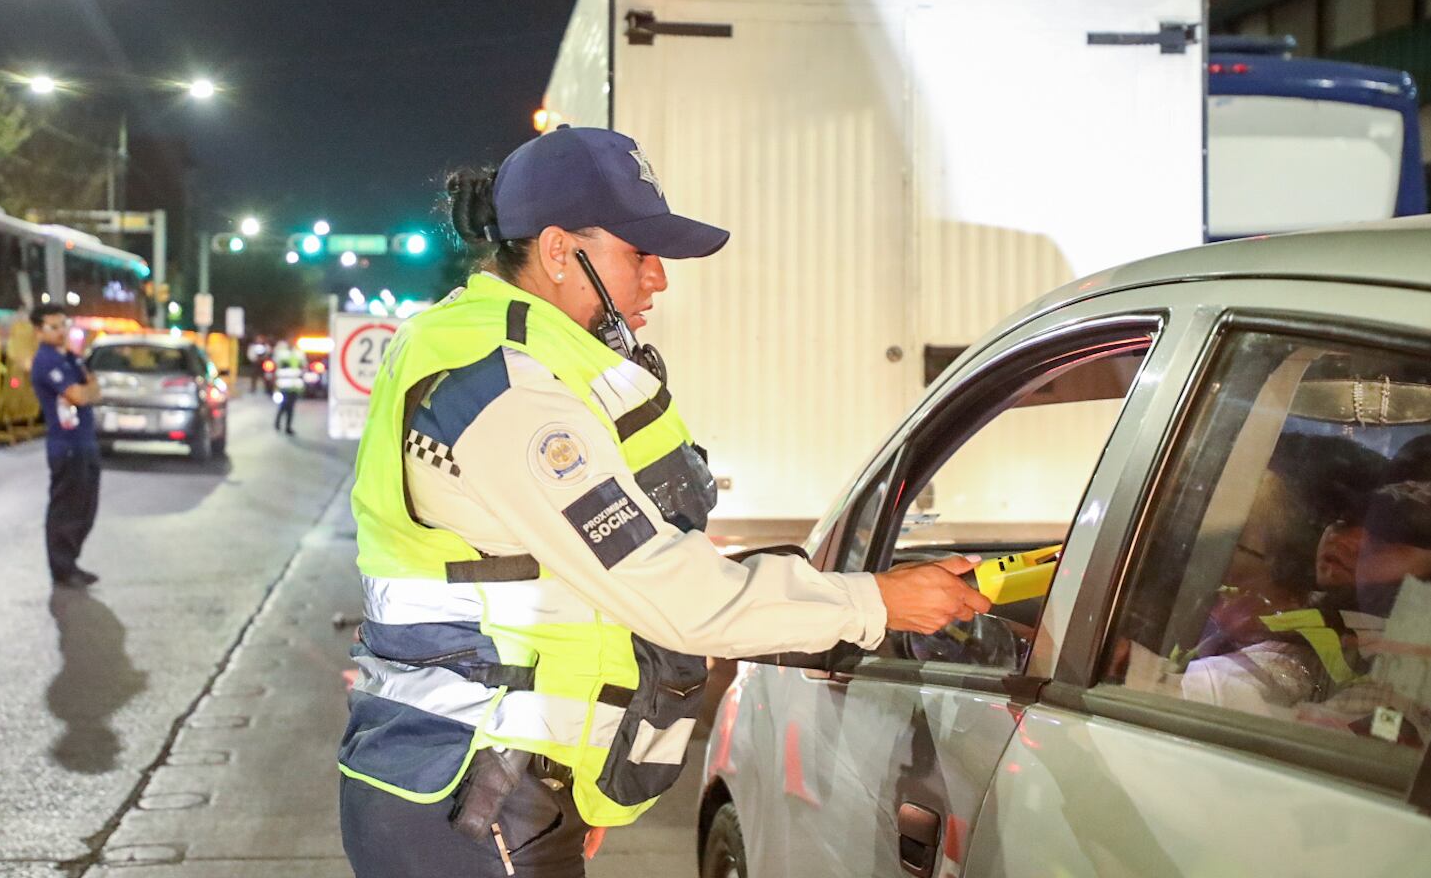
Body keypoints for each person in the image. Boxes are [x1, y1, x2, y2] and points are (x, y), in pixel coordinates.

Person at [337, 125, 992, 878]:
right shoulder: (507, 389)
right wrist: (874, 602)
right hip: (472, 801)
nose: (659, 279)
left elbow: (572, 585)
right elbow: (667, 590)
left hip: (480, 788)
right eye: (638, 254)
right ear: (558, 251)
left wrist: (583, 789)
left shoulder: (509, 353)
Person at [1181, 477, 1431, 735]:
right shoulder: (1352, 631)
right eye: (1341, 523)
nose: (1353, 546)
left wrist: (1198, 685)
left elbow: (1358, 723)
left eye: (1381, 545)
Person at [30, 304, 103, 588]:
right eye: (53, 327)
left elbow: (94, 390)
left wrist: (88, 390)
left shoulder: (71, 359)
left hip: (85, 442)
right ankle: (62, 568)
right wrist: (87, 391)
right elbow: (81, 395)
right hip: (66, 445)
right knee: (66, 508)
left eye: (64, 325)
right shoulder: (46, 362)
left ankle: (70, 562)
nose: (61, 331)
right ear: (39, 331)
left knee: (86, 508)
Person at [272, 339, 304, 435]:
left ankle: (286, 427)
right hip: (285, 385)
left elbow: (302, 367)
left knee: (289, 407)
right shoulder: (282, 353)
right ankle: (280, 424)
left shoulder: (298, 354)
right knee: (284, 405)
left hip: (294, 386)